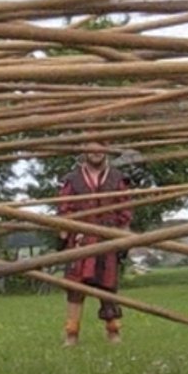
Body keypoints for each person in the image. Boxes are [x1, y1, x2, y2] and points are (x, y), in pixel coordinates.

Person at [58, 142, 132, 344]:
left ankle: (113, 331)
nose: (96, 152)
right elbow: (64, 208)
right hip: (80, 240)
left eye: (100, 148)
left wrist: (123, 235)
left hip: (108, 237)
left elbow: (125, 208)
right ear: (84, 151)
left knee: (108, 287)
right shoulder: (72, 179)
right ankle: (71, 334)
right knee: (75, 288)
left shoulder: (118, 177)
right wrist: (65, 233)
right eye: (92, 148)